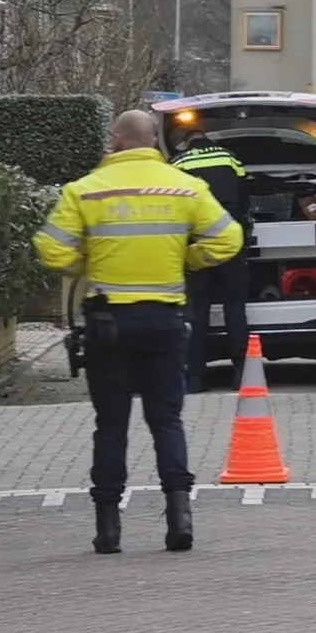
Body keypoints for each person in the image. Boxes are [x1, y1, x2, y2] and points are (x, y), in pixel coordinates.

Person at [33, 110, 244, 555]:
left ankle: (108, 528)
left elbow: (50, 248)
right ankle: (179, 517)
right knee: (166, 420)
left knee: (111, 424)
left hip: (108, 323)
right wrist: (188, 261)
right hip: (165, 320)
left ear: (117, 140)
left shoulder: (84, 191)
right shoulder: (186, 187)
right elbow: (229, 238)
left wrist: (86, 266)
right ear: (154, 142)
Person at [171, 132, 252, 392]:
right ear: (210, 140)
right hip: (231, 244)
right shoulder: (230, 158)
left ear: (187, 142)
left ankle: (196, 377)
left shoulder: (179, 162)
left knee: (198, 314)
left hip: (197, 248)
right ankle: (240, 372)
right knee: (235, 309)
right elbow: (246, 196)